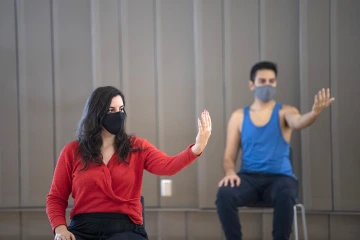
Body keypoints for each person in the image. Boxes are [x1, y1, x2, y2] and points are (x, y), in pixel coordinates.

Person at [46, 86, 212, 240]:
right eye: (111, 110)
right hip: (83, 227)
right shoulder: (72, 151)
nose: (118, 115)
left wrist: (197, 147)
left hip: (126, 229)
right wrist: (60, 228)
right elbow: (56, 197)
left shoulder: (137, 147)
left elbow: (168, 166)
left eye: (121, 109)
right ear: (95, 113)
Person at [216, 61, 334, 240]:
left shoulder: (285, 112)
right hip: (249, 179)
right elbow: (228, 157)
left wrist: (314, 113)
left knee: (286, 194)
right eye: (262, 81)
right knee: (224, 194)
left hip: (280, 179)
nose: (267, 85)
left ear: (276, 83)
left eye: (271, 81)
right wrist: (230, 172)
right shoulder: (238, 117)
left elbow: (300, 121)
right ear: (251, 84)